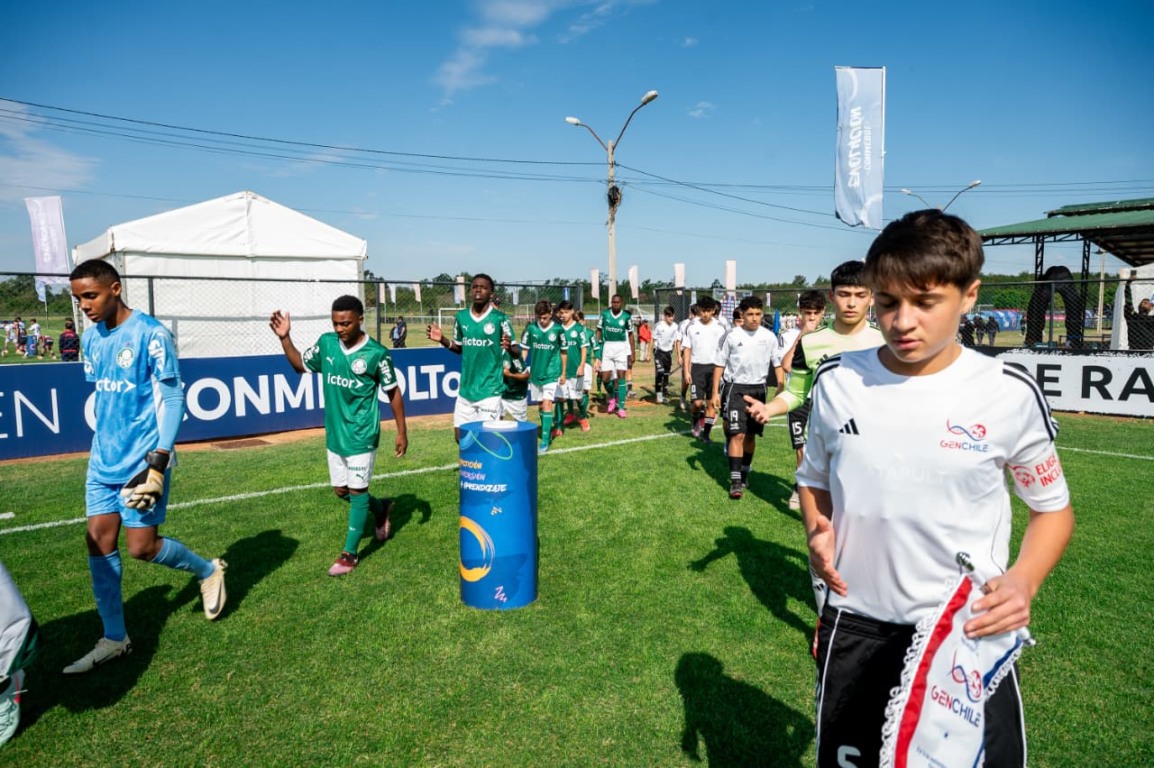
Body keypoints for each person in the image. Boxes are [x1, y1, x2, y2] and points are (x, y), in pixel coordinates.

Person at [795, 209, 1074, 767]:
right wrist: (816, 529)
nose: (903, 321)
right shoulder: (837, 382)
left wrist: (1023, 581)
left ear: (968, 296)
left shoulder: (1005, 392)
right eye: (887, 302)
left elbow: (1052, 510)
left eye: (925, 302)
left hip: (961, 635)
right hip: (856, 626)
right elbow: (814, 481)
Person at [64, 260, 226, 674]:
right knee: (98, 542)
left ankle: (207, 570)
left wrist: (158, 463)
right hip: (102, 462)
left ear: (115, 289)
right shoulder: (91, 340)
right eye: (78, 297)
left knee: (141, 548)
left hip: (143, 462)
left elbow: (173, 400)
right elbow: (104, 399)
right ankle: (115, 638)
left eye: (91, 295)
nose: (84, 305)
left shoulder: (151, 334)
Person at [270, 295, 407, 576]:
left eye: (345, 323)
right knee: (342, 491)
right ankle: (381, 509)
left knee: (357, 493)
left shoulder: (377, 354)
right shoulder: (326, 344)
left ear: (360, 319)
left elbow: (393, 392)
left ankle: (349, 555)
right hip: (335, 434)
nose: (339, 329)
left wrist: (402, 431)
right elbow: (300, 365)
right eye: (335, 323)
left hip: (362, 433)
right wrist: (285, 338)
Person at [746, 263, 884, 511]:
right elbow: (797, 392)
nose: (851, 303)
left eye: (860, 295)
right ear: (832, 297)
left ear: (872, 298)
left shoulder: (886, 341)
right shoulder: (810, 342)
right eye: (844, 294)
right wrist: (769, 408)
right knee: (825, 532)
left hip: (874, 451)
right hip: (824, 449)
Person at [426, 274, 515, 442]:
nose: (478, 290)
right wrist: (443, 340)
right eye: (475, 287)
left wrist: (510, 347)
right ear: (470, 291)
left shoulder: (500, 319)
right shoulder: (461, 317)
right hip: (466, 390)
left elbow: (515, 349)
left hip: (490, 390)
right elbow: (459, 348)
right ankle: (472, 468)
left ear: (491, 293)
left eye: (483, 287)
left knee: (488, 440)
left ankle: (487, 469)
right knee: (461, 438)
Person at [712, 296, 780, 499]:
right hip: (736, 389)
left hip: (759, 389)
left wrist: (781, 386)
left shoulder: (769, 337)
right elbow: (719, 364)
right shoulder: (731, 336)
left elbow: (777, 364)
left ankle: (744, 472)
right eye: (750, 314)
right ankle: (735, 482)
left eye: (758, 314)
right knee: (737, 435)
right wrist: (715, 392)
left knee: (750, 436)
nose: (754, 318)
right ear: (742, 314)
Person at [521, 300, 567, 454]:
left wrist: (563, 372)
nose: (542, 320)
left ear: (551, 315)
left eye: (545, 318)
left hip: (551, 372)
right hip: (536, 373)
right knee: (541, 406)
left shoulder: (558, 330)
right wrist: (521, 368)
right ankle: (547, 428)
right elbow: (525, 349)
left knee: (547, 403)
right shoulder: (531, 329)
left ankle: (545, 441)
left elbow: (563, 352)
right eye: (540, 318)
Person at [681, 296, 725, 443]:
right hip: (698, 368)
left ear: (713, 311)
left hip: (715, 368)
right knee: (697, 403)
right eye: (703, 310)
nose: (705, 314)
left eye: (709, 311)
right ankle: (695, 418)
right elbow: (687, 349)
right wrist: (687, 370)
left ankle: (706, 434)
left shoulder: (720, 327)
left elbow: (725, 350)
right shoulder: (692, 327)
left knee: (711, 403)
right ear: (698, 309)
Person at [596, 294, 634, 418]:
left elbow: (631, 335)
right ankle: (613, 396)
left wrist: (632, 353)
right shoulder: (605, 314)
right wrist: (597, 349)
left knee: (621, 376)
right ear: (611, 303)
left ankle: (621, 407)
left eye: (618, 302)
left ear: (621, 303)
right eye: (613, 302)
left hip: (621, 347)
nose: (616, 304)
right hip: (607, 347)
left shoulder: (626, 316)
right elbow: (599, 330)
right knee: (605, 378)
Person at [557, 301, 590, 432]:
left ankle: (582, 417)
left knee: (579, 396)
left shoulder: (579, 329)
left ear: (572, 312)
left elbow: (584, 348)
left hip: (577, 370)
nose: (563, 315)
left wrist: (582, 365)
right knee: (561, 398)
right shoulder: (557, 329)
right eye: (561, 312)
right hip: (562, 370)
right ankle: (559, 426)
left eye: (566, 312)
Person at [652, 306, 678, 404]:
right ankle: (658, 395)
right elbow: (653, 339)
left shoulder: (675, 326)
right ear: (664, 316)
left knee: (666, 374)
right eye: (668, 316)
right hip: (659, 352)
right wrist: (648, 354)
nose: (671, 318)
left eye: (672, 316)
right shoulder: (658, 326)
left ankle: (665, 391)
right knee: (660, 372)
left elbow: (676, 341)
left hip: (668, 353)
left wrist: (677, 354)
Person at [674, 305, 699, 410]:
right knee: (686, 378)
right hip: (687, 354)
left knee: (697, 379)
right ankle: (683, 396)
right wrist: (679, 356)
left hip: (699, 355)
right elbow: (678, 340)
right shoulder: (684, 324)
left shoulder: (703, 324)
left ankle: (694, 400)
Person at [1123, 271, 1154, 349]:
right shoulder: (1132, 316)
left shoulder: (1152, 319)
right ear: (1139, 306)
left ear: (1151, 308)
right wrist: (1128, 283)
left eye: (1147, 302)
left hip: (1148, 351)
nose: (1145, 302)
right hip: (1133, 350)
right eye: (1143, 302)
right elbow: (1128, 300)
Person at [500, 347, 530, 422]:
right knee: (495, 420)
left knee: (521, 424)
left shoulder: (513, 355)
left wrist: (510, 375)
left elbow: (526, 375)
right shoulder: (493, 353)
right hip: (500, 393)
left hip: (516, 395)